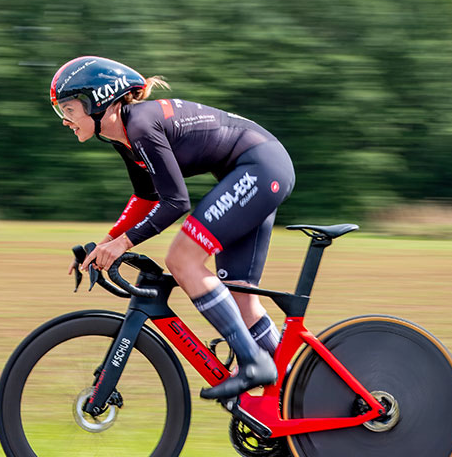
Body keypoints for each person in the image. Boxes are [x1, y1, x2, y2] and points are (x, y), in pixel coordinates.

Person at [50, 56, 295, 400]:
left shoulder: (140, 126)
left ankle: (253, 360)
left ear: (99, 101)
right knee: (237, 292)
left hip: (260, 167)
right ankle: (299, 382)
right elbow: (146, 197)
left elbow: (176, 202)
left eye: (69, 109)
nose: (65, 120)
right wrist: (104, 244)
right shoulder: (123, 134)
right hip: (258, 169)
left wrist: (122, 244)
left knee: (182, 259)